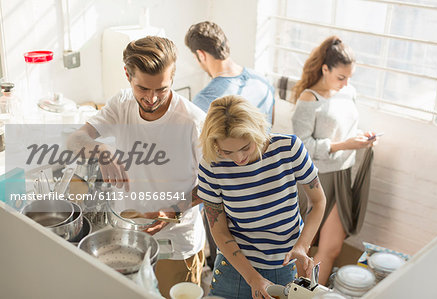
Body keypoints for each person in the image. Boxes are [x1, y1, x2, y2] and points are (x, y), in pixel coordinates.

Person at [67, 36, 206, 298]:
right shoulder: (121, 104)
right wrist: (101, 151)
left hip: (175, 244)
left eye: (162, 89)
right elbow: (74, 139)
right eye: (143, 89)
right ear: (127, 75)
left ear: (173, 78)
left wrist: (170, 213)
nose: (152, 98)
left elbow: (214, 185)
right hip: (128, 237)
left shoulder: (193, 122)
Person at [197, 95, 326, 299]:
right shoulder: (211, 165)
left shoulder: (289, 149)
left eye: (245, 147)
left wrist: (302, 245)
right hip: (235, 268)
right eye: (227, 151)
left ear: (258, 129)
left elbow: (318, 201)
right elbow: (220, 232)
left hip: (282, 265)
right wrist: (251, 277)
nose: (238, 158)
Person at [290, 36, 379, 285]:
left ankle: (311, 291)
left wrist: (362, 138)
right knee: (302, 246)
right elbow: (301, 146)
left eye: (349, 77)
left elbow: (348, 128)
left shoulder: (348, 92)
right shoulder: (309, 99)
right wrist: (344, 145)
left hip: (341, 174)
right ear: (325, 69)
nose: (346, 83)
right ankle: (296, 290)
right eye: (341, 77)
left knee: (331, 248)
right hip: (315, 179)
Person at [185, 21, 275, 125]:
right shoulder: (263, 80)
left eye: (195, 57)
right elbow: (270, 122)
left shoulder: (204, 100)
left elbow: (197, 139)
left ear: (201, 55)